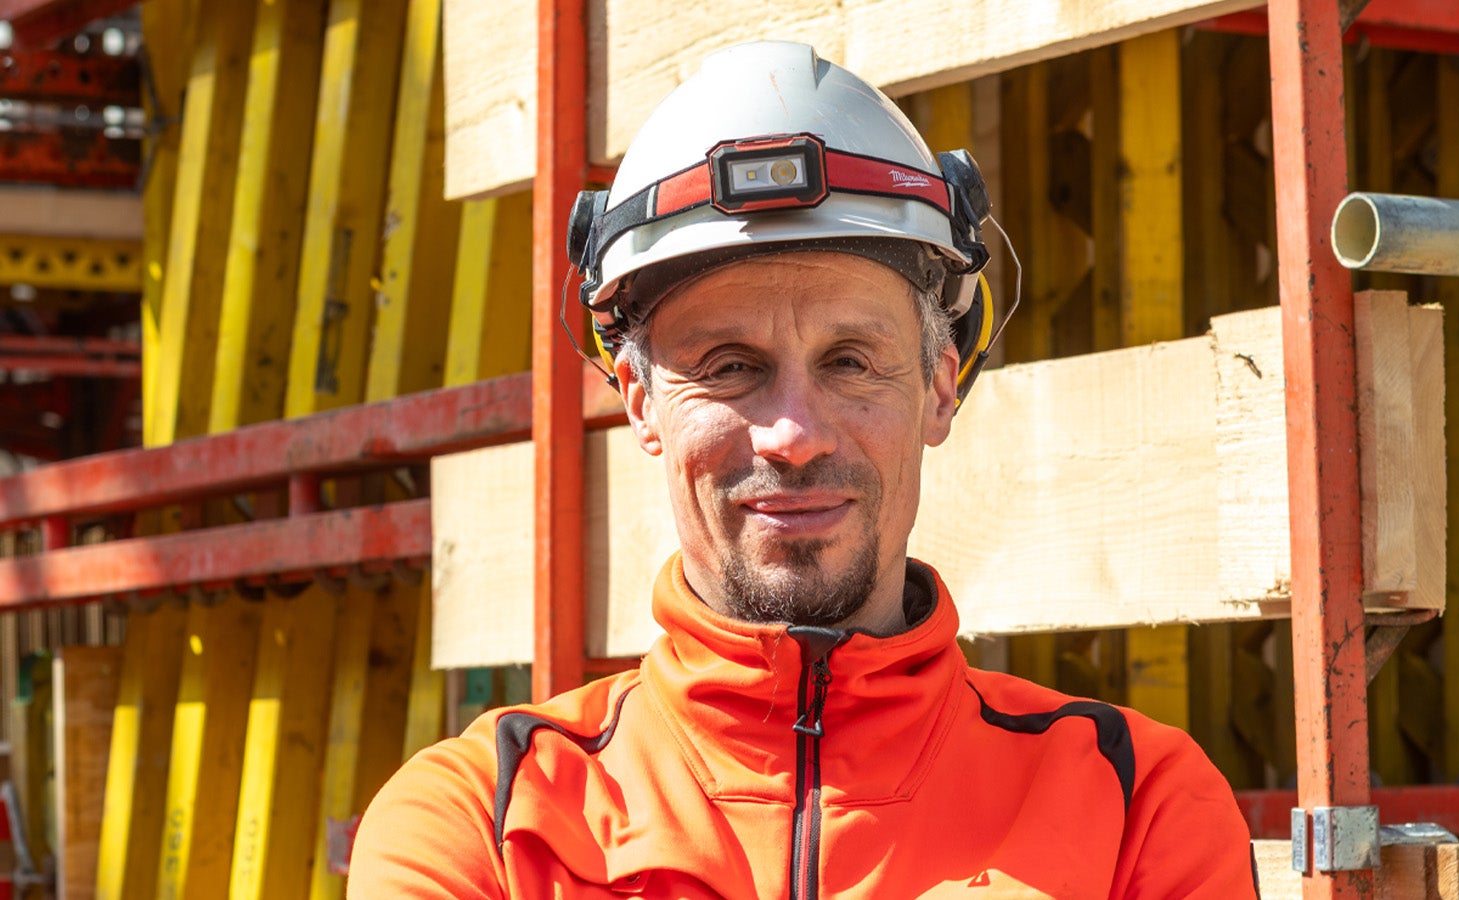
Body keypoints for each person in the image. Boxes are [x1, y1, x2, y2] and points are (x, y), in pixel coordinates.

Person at [349, 40, 1258, 898]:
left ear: (942, 387)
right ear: (637, 398)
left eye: (852, 362)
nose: (794, 434)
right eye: (730, 367)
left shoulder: (1137, 804)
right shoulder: (482, 823)